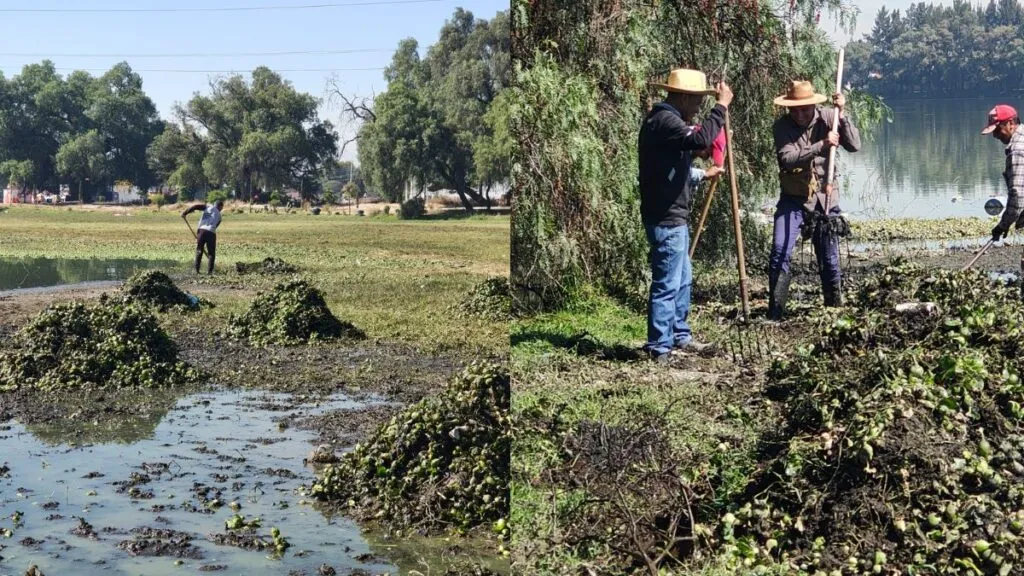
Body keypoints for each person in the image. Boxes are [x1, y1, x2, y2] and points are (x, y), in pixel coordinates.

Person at [639, 68, 732, 362]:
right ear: (681, 97)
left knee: (682, 279)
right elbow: (699, 137)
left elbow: (675, 162)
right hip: (666, 219)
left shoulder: (667, 122)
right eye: (696, 102)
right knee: (667, 283)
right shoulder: (665, 120)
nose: (698, 108)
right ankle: (659, 347)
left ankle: (679, 335)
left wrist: (703, 172)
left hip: (674, 217)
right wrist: (721, 107)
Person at [768, 80, 860, 320]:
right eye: (794, 109)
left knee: (828, 256)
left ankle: (833, 307)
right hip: (793, 198)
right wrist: (821, 145)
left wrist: (843, 116)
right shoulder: (782, 127)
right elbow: (787, 159)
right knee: (780, 249)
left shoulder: (831, 117)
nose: (799, 114)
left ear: (813, 106)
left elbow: (855, 146)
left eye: (804, 109)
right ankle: (775, 311)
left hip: (824, 197)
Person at [984, 105, 1024, 248]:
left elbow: (1018, 196)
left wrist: (1002, 225)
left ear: (1011, 123)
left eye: (997, 130)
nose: (995, 135)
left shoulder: (1018, 151)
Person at [182, 199, 225, 274]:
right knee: (211, 253)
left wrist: (185, 213)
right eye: (222, 208)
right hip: (211, 233)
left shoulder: (207, 207)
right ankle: (210, 272)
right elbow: (215, 226)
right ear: (220, 207)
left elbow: (195, 206)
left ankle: (197, 271)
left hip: (201, 231)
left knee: (199, 250)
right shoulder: (220, 216)